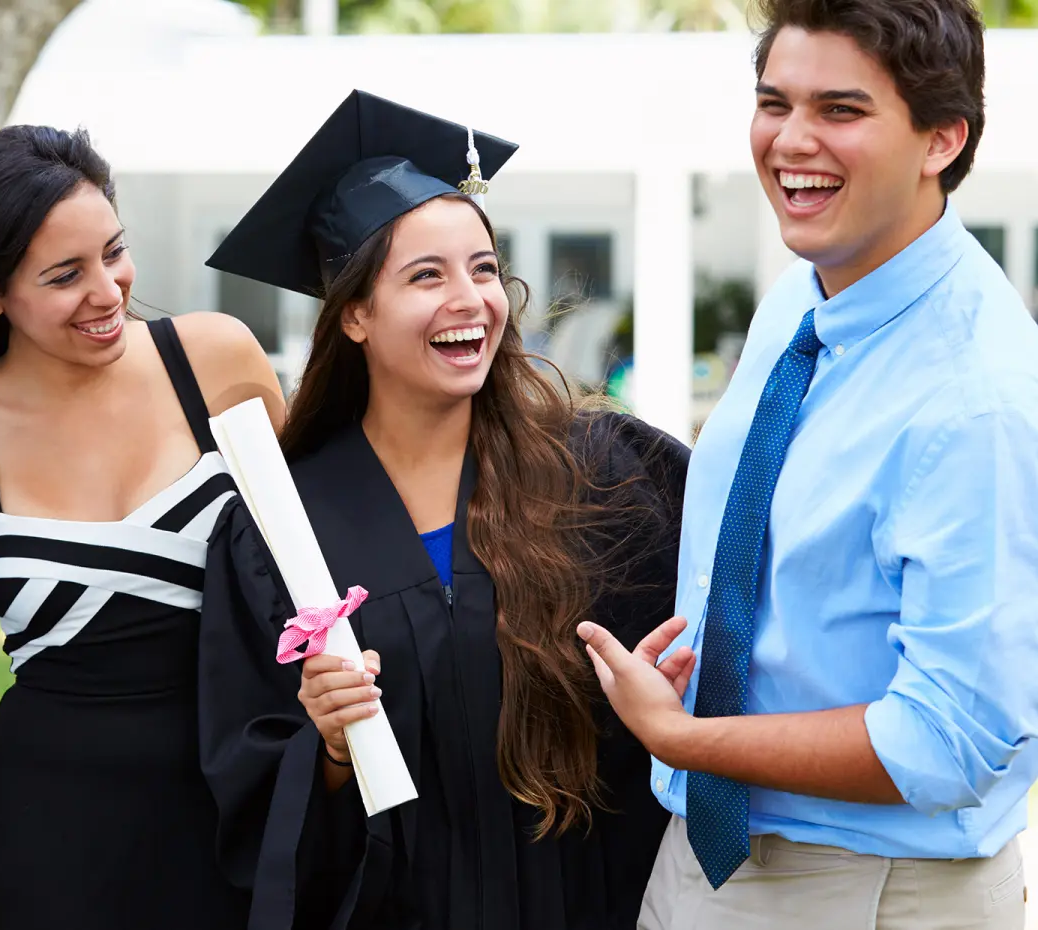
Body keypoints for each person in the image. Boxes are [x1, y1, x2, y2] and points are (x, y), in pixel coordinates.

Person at [577, 1, 1038, 927]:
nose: (791, 141)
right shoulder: (801, 296)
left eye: (840, 110)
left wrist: (685, 736)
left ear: (942, 138)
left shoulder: (976, 398)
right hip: (703, 852)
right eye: (773, 102)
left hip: (865, 886)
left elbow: (950, 739)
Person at [197, 90, 694, 930]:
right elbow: (248, 780)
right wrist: (330, 746)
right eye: (427, 275)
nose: (471, 298)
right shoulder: (280, 527)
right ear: (356, 314)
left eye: (484, 269)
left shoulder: (602, 471)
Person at [0, 123, 284, 928]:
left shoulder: (216, 359)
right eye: (65, 275)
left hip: (244, 802)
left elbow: (319, 565)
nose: (108, 290)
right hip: (52, 837)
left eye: (114, 251)